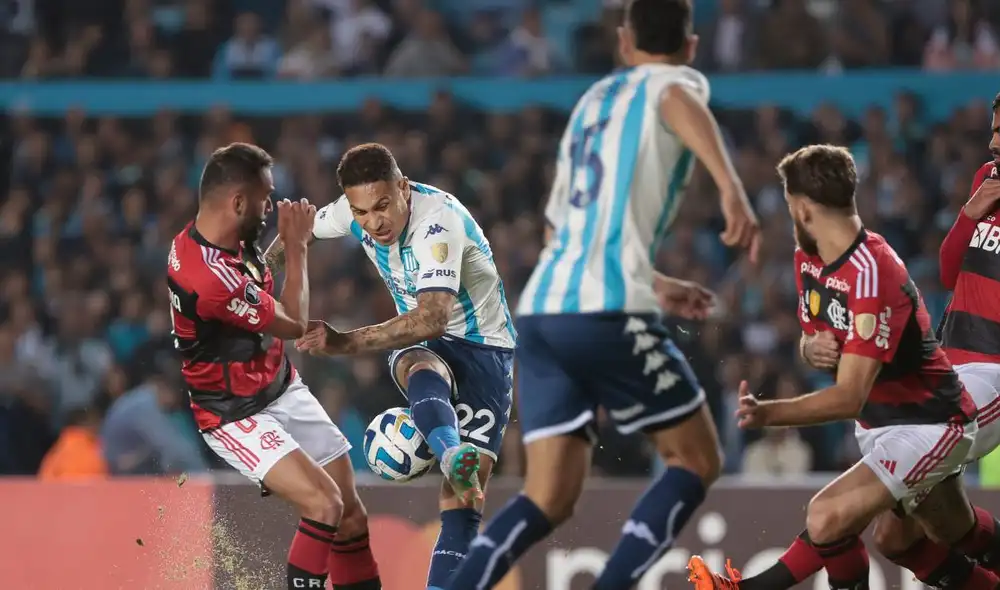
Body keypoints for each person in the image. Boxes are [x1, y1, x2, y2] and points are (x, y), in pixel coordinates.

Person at [442, 0, 761, 587]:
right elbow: (675, 97)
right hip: (604, 311)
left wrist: (654, 283)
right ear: (691, 47)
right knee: (696, 459)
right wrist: (732, 190)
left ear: (624, 41)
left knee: (548, 495)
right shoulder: (673, 83)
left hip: (542, 311)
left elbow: (557, 232)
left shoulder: (590, 104)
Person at [687, 144, 1000, 590]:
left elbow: (850, 394)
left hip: (947, 408)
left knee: (829, 515)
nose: (992, 142)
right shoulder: (809, 259)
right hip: (899, 408)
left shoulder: (873, 271)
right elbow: (817, 337)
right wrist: (809, 347)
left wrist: (771, 413)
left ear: (802, 207)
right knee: (906, 536)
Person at [281, 143, 516, 590]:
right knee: (417, 361)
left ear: (403, 187)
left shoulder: (438, 223)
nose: (374, 222)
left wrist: (345, 342)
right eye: (362, 212)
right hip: (421, 341)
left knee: (463, 502)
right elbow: (302, 232)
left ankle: (452, 459)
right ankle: (450, 451)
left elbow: (432, 318)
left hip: (485, 348)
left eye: (383, 206)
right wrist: (256, 271)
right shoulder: (352, 213)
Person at [166, 143, 380, 590]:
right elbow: (294, 323)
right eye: (264, 198)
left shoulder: (222, 236)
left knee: (350, 517)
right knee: (324, 505)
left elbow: (257, 272)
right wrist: (298, 246)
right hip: (234, 413)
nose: (270, 209)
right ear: (237, 202)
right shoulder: (207, 278)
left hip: (280, 386)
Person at [847, 93, 1000, 585]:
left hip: (993, 372)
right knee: (895, 539)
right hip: (952, 363)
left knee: (884, 500)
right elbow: (950, 270)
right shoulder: (988, 180)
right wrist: (971, 213)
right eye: (993, 129)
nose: (994, 142)